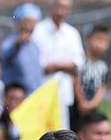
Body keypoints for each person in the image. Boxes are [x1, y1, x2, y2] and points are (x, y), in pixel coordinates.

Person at [32, 0, 83, 130]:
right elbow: (34, 62)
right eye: (58, 7)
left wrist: (55, 66)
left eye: (65, 8)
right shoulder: (38, 30)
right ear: (51, 7)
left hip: (63, 91)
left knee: (61, 131)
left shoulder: (72, 33)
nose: (61, 12)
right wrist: (61, 66)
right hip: (40, 90)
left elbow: (78, 63)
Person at [0, 2, 43, 96]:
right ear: (19, 22)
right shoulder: (10, 42)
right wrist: (18, 43)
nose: (30, 24)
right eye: (27, 21)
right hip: (16, 97)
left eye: (33, 21)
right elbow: (6, 55)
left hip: (34, 95)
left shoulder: (35, 45)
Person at [73, 24, 109, 128]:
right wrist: (82, 102)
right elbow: (77, 81)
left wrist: (92, 104)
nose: (101, 43)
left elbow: (102, 87)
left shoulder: (103, 66)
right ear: (89, 39)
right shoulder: (80, 61)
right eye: (98, 39)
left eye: (105, 41)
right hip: (77, 106)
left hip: (92, 107)